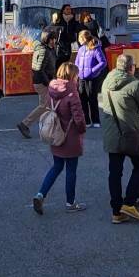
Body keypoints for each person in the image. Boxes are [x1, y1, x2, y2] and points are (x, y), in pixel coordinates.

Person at [99, 53, 139, 224]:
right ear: (131, 67)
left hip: (112, 134)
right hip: (130, 134)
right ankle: (129, 203)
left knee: (115, 173)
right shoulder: (135, 84)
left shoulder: (108, 79)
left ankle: (116, 212)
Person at [32, 62, 88, 214]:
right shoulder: (72, 93)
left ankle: (40, 194)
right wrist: (82, 130)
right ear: (71, 76)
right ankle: (70, 203)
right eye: (76, 75)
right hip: (70, 136)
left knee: (56, 167)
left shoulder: (52, 89)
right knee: (71, 170)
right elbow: (79, 118)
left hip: (55, 132)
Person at [17, 27, 58, 138]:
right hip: (42, 82)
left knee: (48, 106)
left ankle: (47, 128)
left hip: (43, 81)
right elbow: (39, 69)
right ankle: (25, 124)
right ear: (48, 39)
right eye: (53, 39)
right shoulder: (44, 51)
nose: (54, 41)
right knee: (44, 106)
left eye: (55, 39)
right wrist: (48, 83)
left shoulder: (48, 49)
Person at [74, 30, 106, 127]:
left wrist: (92, 71)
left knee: (92, 99)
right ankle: (86, 121)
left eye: (79, 38)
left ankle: (96, 121)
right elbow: (76, 62)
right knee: (82, 99)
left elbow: (103, 62)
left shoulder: (96, 49)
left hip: (92, 78)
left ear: (84, 38)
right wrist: (76, 73)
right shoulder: (81, 49)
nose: (78, 40)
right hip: (81, 78)